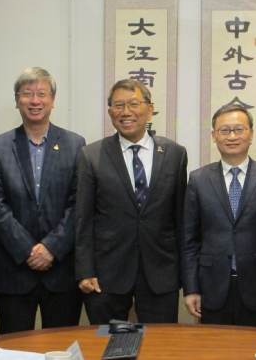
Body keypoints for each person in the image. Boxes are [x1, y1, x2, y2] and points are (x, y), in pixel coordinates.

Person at [75, 79, 188, 324]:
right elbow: (83, 218)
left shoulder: (175, 154)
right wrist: (85, 270)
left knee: (160, 342)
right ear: (110, 112)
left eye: (134, 104)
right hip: (106, 272)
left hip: (161, 270)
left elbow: (180, 218)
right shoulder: (91, 155)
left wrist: (186, 274)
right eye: (118, 105)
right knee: (106, 341)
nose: (126, 112)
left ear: (150, 109)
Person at [0, 67, 86, 334]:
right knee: (15, 348)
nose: (35, 100)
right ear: (17, 100)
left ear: (53, 100)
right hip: (14, 269)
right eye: (27, 93)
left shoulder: (75, 145)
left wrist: (52, 248)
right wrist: (28, 250)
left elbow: (79, 203)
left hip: (62, 270)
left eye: (42, 93)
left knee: (61, 348)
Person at [181, 104, 256, 327]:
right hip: (212, 288)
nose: (232, 136)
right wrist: (191, 288)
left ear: (251, 133)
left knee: (255, 346)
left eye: (239, 129)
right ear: (214, 136)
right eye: (224, 130)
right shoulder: (198, 179)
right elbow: (189, 241)